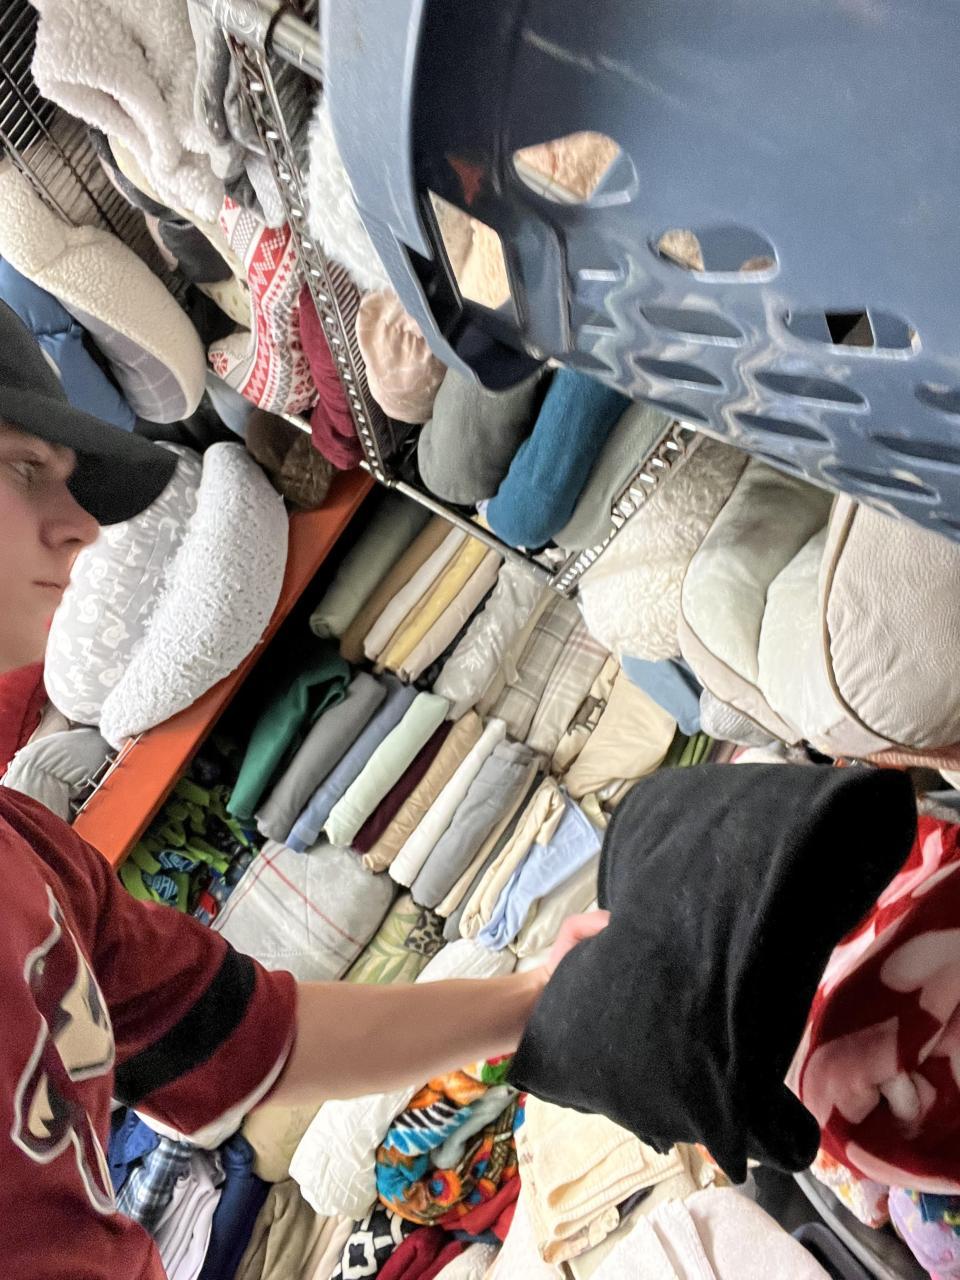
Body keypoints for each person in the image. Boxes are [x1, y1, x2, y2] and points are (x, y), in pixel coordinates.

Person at [0, 301, 606, 1278]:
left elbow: (257, 1034)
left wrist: (530, 1001)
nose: (76, 528)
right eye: (25, 471)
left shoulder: (29, 850)